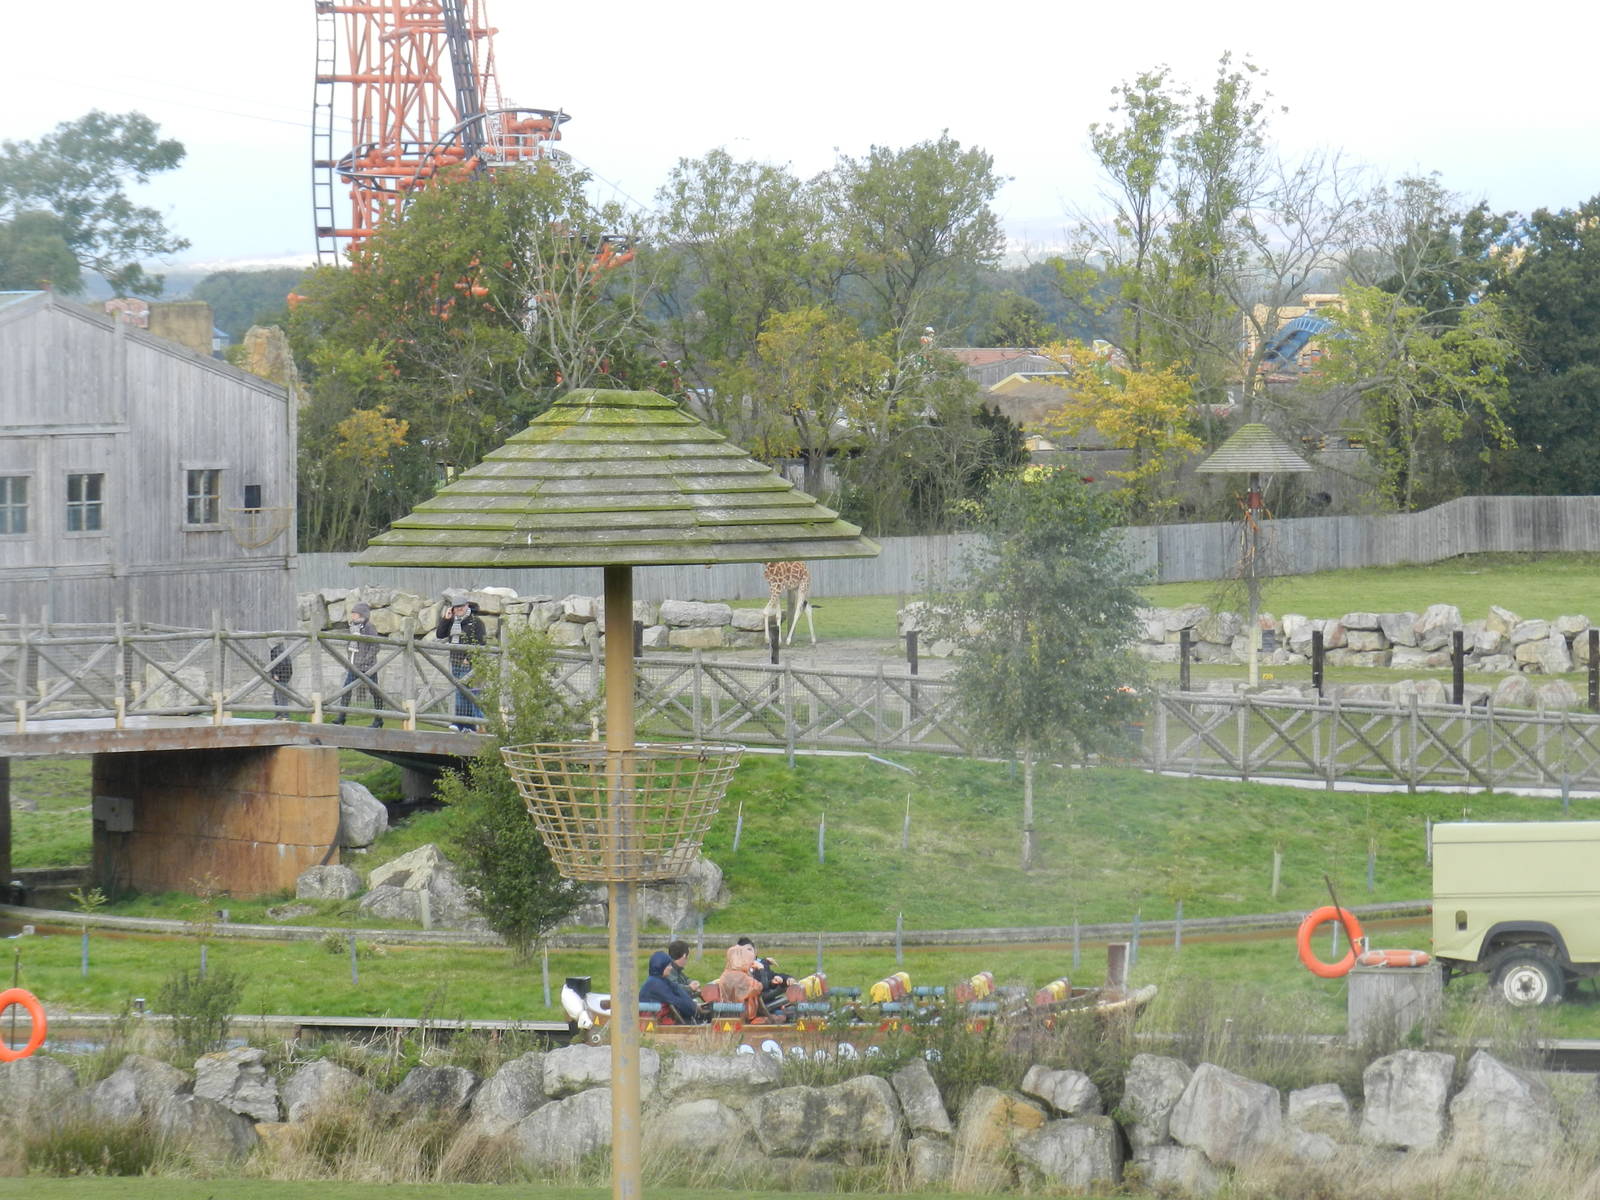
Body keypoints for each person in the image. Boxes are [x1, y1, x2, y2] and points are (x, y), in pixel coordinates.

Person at [436, 589, 486, 730]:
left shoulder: (476, 622)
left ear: (467, 606)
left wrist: (468, 658)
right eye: (456, 607)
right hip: (455, 662)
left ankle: (466, 724)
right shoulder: (452, 621)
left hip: (469, 664)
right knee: (459, 692)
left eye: (461, 607)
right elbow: (440, 634)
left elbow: (481, 642)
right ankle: (462, 723)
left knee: (465, 693)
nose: (458, 610)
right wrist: (446, 619)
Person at [331, 602, 386, 727]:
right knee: (346, 690)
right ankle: (341, 717)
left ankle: (378, 719)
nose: (352, 616)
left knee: (375, 692)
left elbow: (375, 646)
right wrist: (349, 659)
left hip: (368, 667)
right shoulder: (353, 628)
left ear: (362, 614)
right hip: (354, 666)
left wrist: (365, 660)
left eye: (355, 613)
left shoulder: (369, 627)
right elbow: (349, 644)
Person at [638, 939, 700, 1024]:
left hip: (662, 1018)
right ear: (661, 967)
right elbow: (676, 1001)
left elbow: (678, 990)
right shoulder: (655, 984)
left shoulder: (663, 980)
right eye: (668, 965)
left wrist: (694, 1008)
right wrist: (695, 1011)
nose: (670, 968)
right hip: (652, 1023)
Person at [715, 942, 762, 1010]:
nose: (751, 962)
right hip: (741, 1013)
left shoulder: (727, 973)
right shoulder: (739, 976)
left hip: (733, 1011)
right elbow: (759, 988)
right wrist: (761, 969)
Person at [267, 641, 294, 711]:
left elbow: (281, 663)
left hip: (281, 676)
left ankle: (284, 715)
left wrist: (276, 674)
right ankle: (279, 714)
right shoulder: (281, 649)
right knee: (276, 697)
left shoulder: (276, 650)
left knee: (281, 697)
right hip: (285, 675)